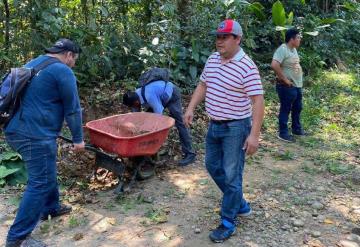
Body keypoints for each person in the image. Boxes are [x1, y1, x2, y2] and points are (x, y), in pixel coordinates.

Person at [184, 19, 265, 243]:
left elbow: (258, 101)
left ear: (237, 39)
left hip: (236, 127)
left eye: (225, 37)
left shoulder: (247, 66)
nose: (219, 42)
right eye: (218, 37)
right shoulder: (212, 59)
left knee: (232, 174)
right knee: (212, 165)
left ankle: (228, 221)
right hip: (214, 124)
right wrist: (191, 108)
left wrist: (254, 135)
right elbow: (203, 85)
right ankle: (239, 202)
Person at [4, 38, 85, 247]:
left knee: (46, 169)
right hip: (34, 135)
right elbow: (73, 109)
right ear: (69, 55)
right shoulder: (62, 70)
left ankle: (51, 207)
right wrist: (78, 139)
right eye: (74, 60)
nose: (73, 64)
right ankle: (18, 238)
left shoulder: (34, 63)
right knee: (39, 182)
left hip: (17, 129)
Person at [122, 71, 196, 166]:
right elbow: (136, 114)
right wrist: (136, 128)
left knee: (179, 123)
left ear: (136, 102)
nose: (134, 108)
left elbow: (159, 112)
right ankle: (152, 148)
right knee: (147, 119)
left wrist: (154, 129)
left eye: (134, 106)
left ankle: (190, 153)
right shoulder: (135, 94)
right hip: (160, 97)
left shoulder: (148, 95)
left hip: (171, 93)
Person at [271, 28, 305, 142]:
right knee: (285, 109)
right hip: (286, 86)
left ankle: (296, 129)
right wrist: (285, 80)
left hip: (296, 86)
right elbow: (274, 64)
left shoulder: (293, 49)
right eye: (298, 37)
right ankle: (283, 133)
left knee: (297, 108)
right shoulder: (283, 49)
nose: (300, 39)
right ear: (292, 39)